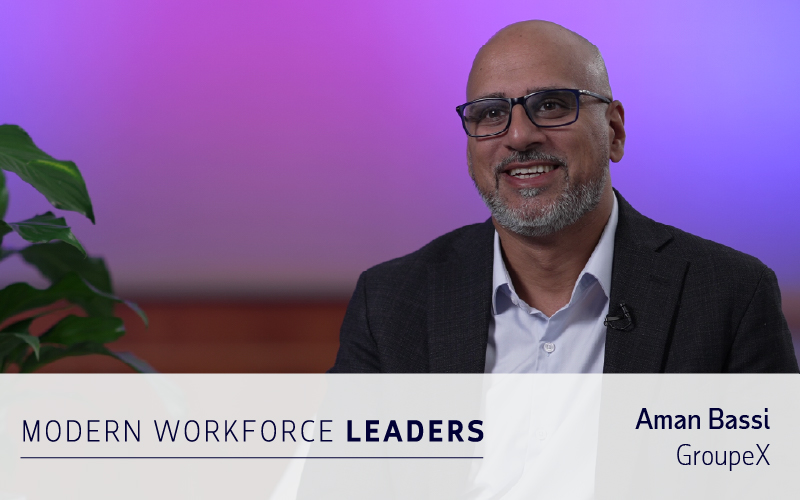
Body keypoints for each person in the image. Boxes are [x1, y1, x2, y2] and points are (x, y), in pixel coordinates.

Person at [330, 20, 798, 374]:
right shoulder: (390, 302)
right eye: (491, 113)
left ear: (613, 130)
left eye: (551, 105)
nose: (518, 136)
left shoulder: (729, 295)